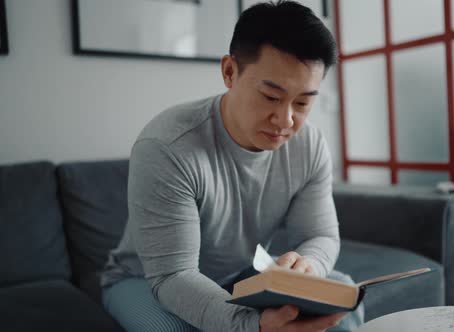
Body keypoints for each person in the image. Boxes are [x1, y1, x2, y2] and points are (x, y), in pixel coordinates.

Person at [100, 1, 364, 331]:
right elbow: (173, 276)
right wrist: (251, 325)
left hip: (242, 276)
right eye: (270, 96)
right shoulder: (167, 146)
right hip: (144, 280)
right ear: (229, 72)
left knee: (343, 301)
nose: (285, 120)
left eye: (302, 102)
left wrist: (308, 266)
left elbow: (319, 235)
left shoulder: (309, 145)